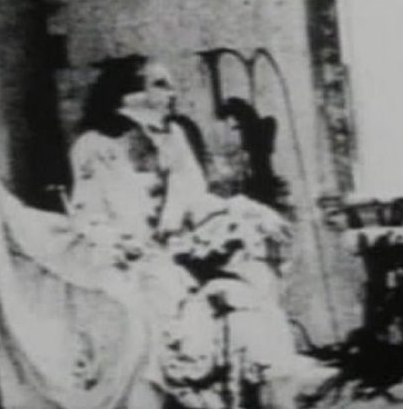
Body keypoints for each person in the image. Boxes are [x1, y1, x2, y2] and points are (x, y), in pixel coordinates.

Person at [67, 56, 334, 408]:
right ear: (128, 94)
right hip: (124, 261)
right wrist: (120, 244)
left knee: (248, 296)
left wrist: (241, 210)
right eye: (159, 84)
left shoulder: (174, 137)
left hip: (177, 255)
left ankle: (257, 390)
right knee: (152, 313)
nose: (172, 93)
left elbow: (196, 201)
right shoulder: (94, 144)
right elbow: (88, 216)